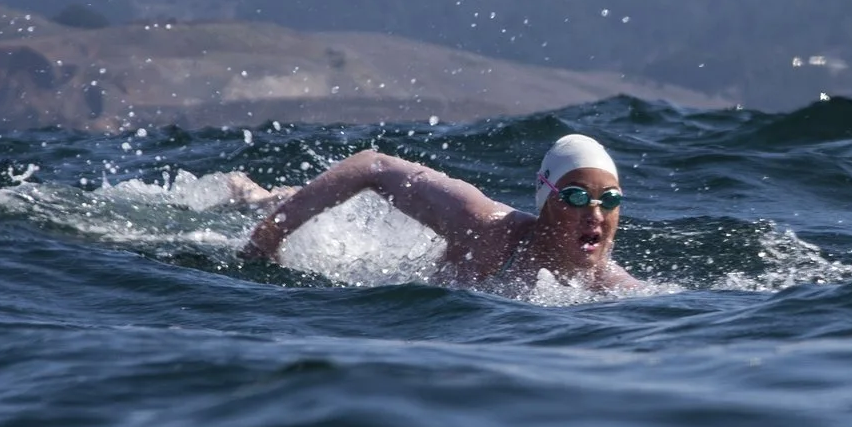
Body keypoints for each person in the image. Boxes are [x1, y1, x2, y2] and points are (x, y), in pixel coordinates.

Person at [231, 133, 642, 293]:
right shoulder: (487, 227)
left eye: (609, 200)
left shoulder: (611, 289)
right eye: (575, 197)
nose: (595, 213)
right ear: (547, 200)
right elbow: (371, 165)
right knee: (272, 203)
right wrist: (269, 234)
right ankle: (258, 197)